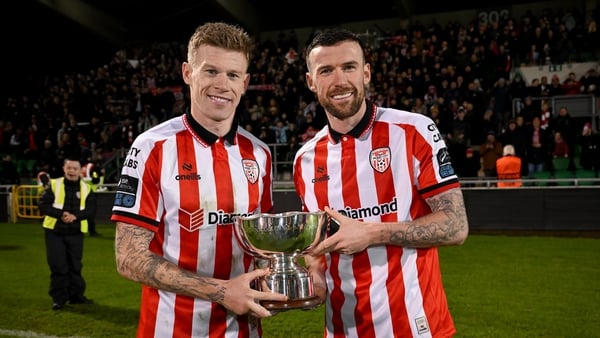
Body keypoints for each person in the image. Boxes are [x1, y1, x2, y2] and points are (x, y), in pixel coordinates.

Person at [110, 22, 287, 338]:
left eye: (232, 75)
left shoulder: (259, 154)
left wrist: (287, 276)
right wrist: (221, 291)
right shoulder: (153, 147)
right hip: (171, 329)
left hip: (244, 330)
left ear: (245, 83)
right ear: (187, 73)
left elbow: (262, 245)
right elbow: (128, 257)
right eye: (210, 71)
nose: (222, 84)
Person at [294, 28, 469, 338]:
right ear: (311, 82)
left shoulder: (414, 131)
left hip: (416, 327)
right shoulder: (304, 160)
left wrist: (372, 232)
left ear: (366, 73)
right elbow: (317, 245)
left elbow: (456, 226)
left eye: (349, 67)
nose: (340, 80)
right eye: (326, 71)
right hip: (341, 329)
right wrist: (316, 274)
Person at [38, 156, 96, 310]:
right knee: (58, 266)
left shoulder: (87, 188)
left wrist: (75, 217)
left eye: (75, 168)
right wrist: (61, 214)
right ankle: (59, 299)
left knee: (75, 266)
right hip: (54, 232)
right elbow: (43, 205)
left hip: (76, 233)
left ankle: (77, 296)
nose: (71, 171)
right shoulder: (54, 185)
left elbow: (91, 210)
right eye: (69, 168)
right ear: (64, 169)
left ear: (80, 171)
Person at [81, 158, 104, 236]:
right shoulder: (93, 167)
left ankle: (82, 229)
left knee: (83, 211)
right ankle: (92, 231)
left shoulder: (83, 167)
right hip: (91, 192)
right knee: (91, 213)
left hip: (83, 192)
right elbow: (95, 180)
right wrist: (100, 174)